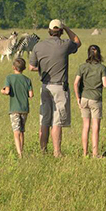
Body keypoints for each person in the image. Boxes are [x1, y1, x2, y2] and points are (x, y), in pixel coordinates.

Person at [29, 19, 81, 157]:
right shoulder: (65, 44)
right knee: (57, 121)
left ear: (49, 31)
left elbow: (31, 67)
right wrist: (67, 27)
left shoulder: (38, 46)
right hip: (60, 87)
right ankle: (57, 152)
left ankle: (43, 150)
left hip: (45, 86)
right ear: (61, 31)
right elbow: (77, 41)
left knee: (44, 120)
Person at [73, 45, 106, 158]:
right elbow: (105, 84)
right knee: (95, 127)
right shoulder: (102, 68)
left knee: (86, 126)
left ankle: (84, 153)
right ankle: (95, 153)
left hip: (84, 98)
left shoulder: (82, 67)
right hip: (96, 99)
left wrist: (78, 98)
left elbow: (75, 83)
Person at [0, 57, 34, 158]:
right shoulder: (27, 80)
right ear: (23, 68)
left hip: (14, 108)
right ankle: (21, 151)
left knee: (16, 132)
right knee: (22, 131)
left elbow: (7, 91)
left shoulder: (9, 78)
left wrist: (2, 91)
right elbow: (31, 94)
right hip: (24, 108)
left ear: (13, 67)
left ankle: (19, 154)